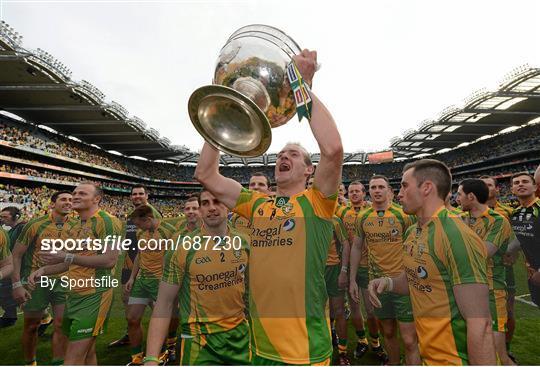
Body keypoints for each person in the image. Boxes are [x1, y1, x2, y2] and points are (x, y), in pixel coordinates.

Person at [194, 48, 344, 365]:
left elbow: (332, 150)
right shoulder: (257, 204)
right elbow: (206, 174)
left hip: (303, 350)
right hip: (259, 346)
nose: (283, 157)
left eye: (292, 154)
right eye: (280, 155)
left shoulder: (317, 203)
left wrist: (302, 84)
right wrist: (224, 113)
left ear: (309, 171)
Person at [368, 159, 496, 365]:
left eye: (404, 185)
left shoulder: (456, 235)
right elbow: (417, 279)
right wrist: (388, 283)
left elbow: (481, 325)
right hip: (429, 355)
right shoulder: (413, 231)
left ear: (426, 188)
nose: (399, 193)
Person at [144, 190, 250, 365]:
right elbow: (164, 303)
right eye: (206, 204)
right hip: (198, 341)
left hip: (241, 338)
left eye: (217, 202)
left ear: (228, 206)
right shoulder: (182, 248)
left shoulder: (245, 242)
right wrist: (151, 358)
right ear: (200, 210)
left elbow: (251, 294)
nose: (212, 208)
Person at [28, 182, 123, 365]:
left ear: (97, 199)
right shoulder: (77, 225)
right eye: (74, 193)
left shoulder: (108, 221)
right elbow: (70, 263)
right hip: (73, 295)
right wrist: (43, 270)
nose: (75, 196)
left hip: (94, 296)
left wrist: (68, 256)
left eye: (82, 193)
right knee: (88, 354)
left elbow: (110, 259)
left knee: (72, 360)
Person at [352, 175, 420, 365]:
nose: (377, 190)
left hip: (403, 284)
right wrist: (351, 279)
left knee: (408, 338)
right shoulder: (363, 217)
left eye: (381, 187)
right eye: (373, 187)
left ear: (389, 190)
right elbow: (357, 247)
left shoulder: (403, 215)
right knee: (388, 332)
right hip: (378, 285)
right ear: (370, 191)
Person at [11, 191, 74, 366]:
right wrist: (17, 284)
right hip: (35, 282)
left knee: (62, 326)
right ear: (52, 204)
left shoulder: (77, 226)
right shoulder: (35, 224)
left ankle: (58, 362)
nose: (68, 202)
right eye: (63, 199)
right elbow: (16, 255)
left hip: (63, 281)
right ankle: (30, 362)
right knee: (31, 327)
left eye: (71, 200)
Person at [457, 179, 516, 365]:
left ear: (471, 196)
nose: (456, 198)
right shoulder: (459, 219)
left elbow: (484, 252)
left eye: (459, 194)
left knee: (499, 356)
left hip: (491, 290)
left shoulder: (498, 220)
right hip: (466, 290)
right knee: (475, 352)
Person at [109, 185, 163, 349]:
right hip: (129, 264)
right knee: (126, 299)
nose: (137, 196)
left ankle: (162, 338)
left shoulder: (153, 213)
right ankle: (130, 333)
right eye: (134, 194)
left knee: (156, 305)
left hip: (149, 267)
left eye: (141, 194)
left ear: (147, 195)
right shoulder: (131, 217)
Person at [125, 205, 178, 365]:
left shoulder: (169, 231)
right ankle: (136, 358)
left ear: (147, 219)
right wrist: (132, 278)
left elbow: (176, 259)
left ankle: (163, 353)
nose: (137, 227)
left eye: (139, 224)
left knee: (160, 320)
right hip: (141, 281)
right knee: (132, 318)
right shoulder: (141, 232)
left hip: (160, 282)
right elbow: (140, 256)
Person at [346, 181, 385, 361]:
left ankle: (376, 344)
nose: (354, 194)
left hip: (369, 267)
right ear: (347, 194)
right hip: (351, 267)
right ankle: (362, 340)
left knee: (371, 310)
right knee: (355, 308)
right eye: (351, 191)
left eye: (357, 191)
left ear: (364, 193)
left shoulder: (371, 211)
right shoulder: (341, 212)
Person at [480, 175, 516, 353]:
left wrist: (512, 251)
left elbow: (520, 236)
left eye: (489, 185)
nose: (485, 188)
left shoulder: (508, 211)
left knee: (508, 312)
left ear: (497, 189)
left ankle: (505, 349)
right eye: (482, 186)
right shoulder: (468, 213)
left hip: (503, 270)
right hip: (480, 271)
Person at [508, 172, 540, 307]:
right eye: (516, 183)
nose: (520, 184)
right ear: (512, 190)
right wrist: (508, 251)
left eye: (525, 181)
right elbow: (522, 238)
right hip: (532, 273)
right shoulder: (516, 213)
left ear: (535, 187)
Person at [0, 206, 26, 328]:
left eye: (5, 216)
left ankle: (43, 318)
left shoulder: (23, 228)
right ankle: (10, 316)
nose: (2, 219)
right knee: (6, 292)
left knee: (10, 292)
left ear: (16, 217)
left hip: (20, 266)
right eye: (1, 217)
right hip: (10, 264)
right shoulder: (9, 231)